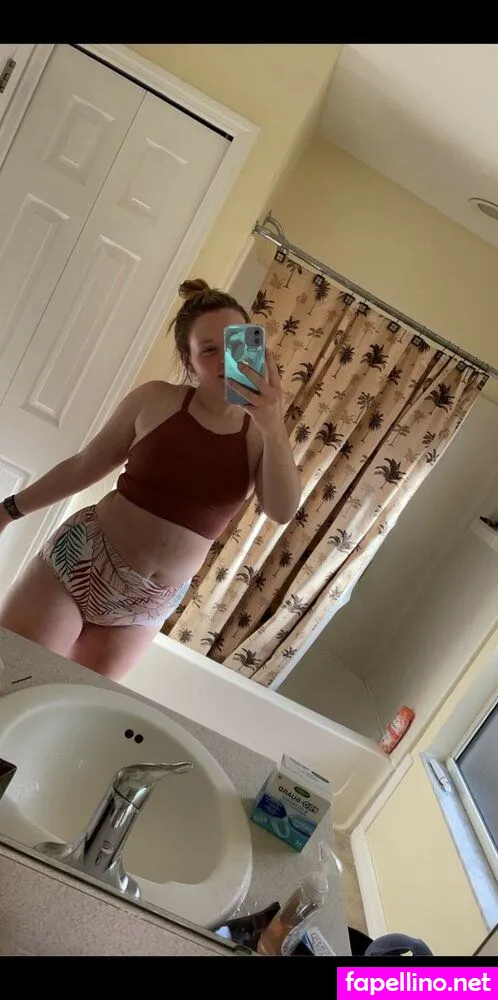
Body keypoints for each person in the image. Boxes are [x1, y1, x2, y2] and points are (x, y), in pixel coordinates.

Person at [0, 279, 301, 680]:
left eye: (233, 344)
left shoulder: (262, 435)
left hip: (146, 607)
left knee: (67, 701)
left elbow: (281, 511)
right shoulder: (155, 400)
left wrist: (273, 425)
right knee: (11, 678)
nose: (223, 361)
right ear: (189, 361)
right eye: (208, 350)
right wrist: (8, 511)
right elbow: (84, 465)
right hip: (80, 561)